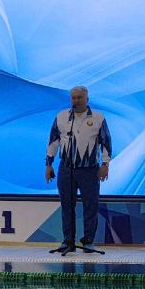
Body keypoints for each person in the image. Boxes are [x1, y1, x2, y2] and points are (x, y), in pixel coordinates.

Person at [45, 86, 112, 256]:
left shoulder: (98, 118)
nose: (76, 101)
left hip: (89, 170)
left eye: (80, 97)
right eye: (73, 98)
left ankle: (88, 240)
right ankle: (68, 240)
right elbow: (53, 141)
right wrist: (49, 164)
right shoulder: (61, 117)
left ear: (87, 99)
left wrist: (105, 165)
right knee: (67, 205)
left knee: (91, 205)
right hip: (66, 169)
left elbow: (105, 142)